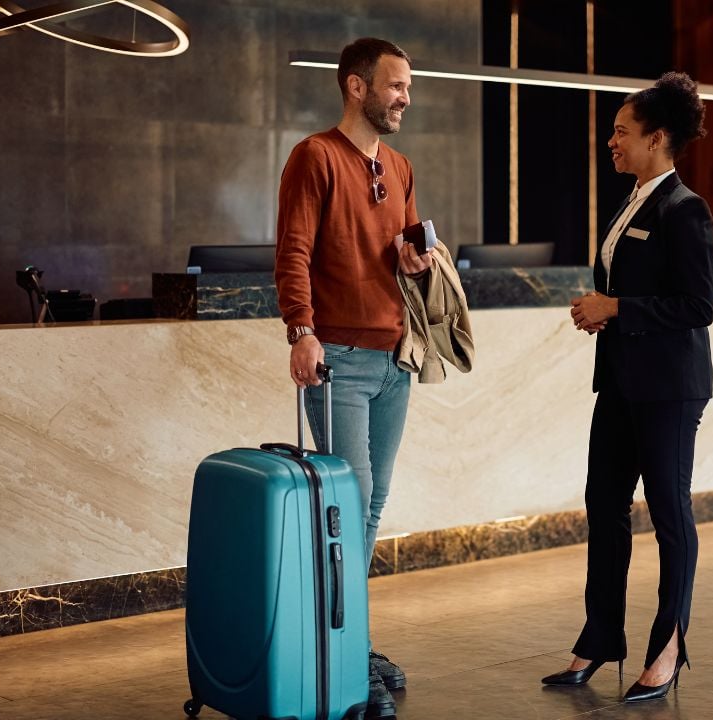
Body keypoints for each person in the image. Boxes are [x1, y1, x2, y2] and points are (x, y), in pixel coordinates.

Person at [274, 37, 432, 720]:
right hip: (337, 359)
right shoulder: (314, 157)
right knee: (350, 503)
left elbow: (401, 251)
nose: (405, 98)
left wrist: (412, 259)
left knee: (370, 506)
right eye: (396, 86)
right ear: (356, 87)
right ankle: (341, 652)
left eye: (407, 87)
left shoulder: (399, 166)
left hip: (394, 361)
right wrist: (301, 331)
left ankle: (350, 641)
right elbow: (294, 251)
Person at [544, 72, 713, 704]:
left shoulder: (685, 208)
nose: (610, 142)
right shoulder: (630, 203)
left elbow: (698, 305)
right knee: (605, 505)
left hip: (669, 388)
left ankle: (668, 647)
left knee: (669, 513)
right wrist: (604, 311)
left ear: (657, 138)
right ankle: (599, 638)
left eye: (621, 132)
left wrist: (615, 308)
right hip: (620, 382)